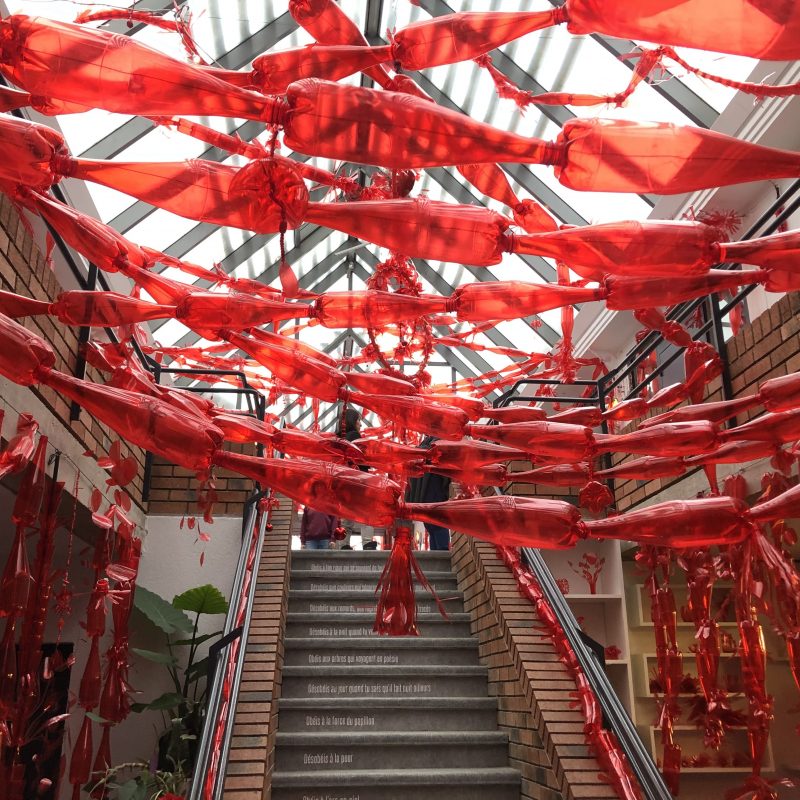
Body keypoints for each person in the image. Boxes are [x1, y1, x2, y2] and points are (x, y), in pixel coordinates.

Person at [406, 436, 452, 550]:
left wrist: (419, 452)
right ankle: (437, 553)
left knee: (437, 522)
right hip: (426, 490)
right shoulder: (428, 440)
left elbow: (435, 452)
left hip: (434, 487)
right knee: (430, 524)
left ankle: (442, 553)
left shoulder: (439, 439)